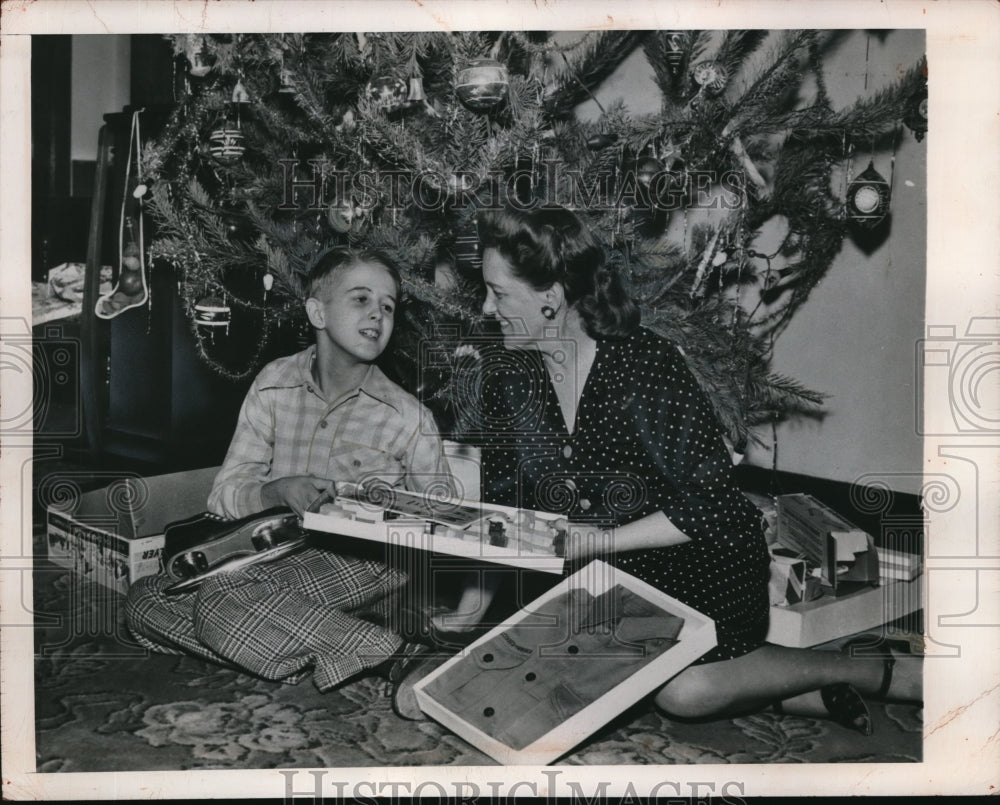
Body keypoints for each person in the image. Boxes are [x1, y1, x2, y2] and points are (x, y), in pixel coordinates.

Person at [395, 204, 920, 732]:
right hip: (596, 578)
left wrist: (596, 541)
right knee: (484, 685)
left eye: (500, 293)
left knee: (682, 694)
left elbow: (708, 504)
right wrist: (470, 611)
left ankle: (865, 667)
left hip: (700, 565)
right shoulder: (509, 375)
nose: (487, 308)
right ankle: (806, 692)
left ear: (551, 299)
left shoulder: (642, 365)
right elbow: (505, 512)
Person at [125, 247, 455, 691]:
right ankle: (307, 641)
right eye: (361, 299)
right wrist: (275, 492)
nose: (378, 314)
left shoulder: (408, 417)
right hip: (270, 550)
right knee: (145, 600)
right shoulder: (273, 383)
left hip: (363, 560)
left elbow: (446, 519)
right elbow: (224, 493)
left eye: (388, 306)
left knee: (221, 599)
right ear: (317, 312)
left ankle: (397, 657)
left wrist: (381, 511)